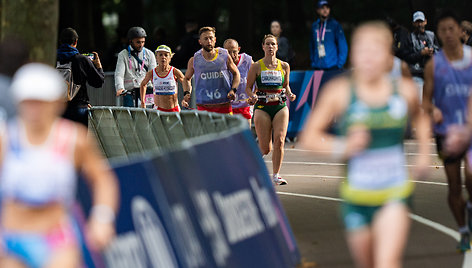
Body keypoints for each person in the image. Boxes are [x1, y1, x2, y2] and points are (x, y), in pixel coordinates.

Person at [299, 21, 430, 267]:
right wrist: (343, 147)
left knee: (386, 262)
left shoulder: (403, 90)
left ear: (388, 56)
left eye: (375, 50)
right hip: (357, 197)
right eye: (362, 50)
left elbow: (421, 119)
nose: (368, 57)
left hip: (394, 193)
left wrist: (423, 155)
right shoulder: (340, 92)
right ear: (353, 55)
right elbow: (309, 137)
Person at [0, 63, 119, 267]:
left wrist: (102, 218)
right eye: (28, 102)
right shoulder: (6, 139)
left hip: (56, 240)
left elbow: (102, 179)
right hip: (11, 237)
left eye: (41, 102)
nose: (34, 109)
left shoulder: (74, 139)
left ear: (57, 102)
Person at [423, 10, 472, 252]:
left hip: (470, 130)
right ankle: (463, 230)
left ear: (461, 31)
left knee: (471, 177)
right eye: (443, 30)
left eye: (452, 28)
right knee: (454, 186)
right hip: (447, 133)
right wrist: (433, 111)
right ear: (439, 35)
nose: (448, 34)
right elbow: (426, 102)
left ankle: (470, 208)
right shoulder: (434, 66)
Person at [246, 34, 297, 185]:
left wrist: (290, 93)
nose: (270, 47)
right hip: (262, 107)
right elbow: (248, 88)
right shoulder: (256, 66)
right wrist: (252, 96)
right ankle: (251, 167)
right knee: (265, 148)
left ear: (277, 47)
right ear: (263, 47)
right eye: (267, 44)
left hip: (280, 106)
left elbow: (286, 86)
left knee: (280, 140)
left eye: (273, 44)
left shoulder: (284, 66)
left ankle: (276, 175)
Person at [182, 27, 240, 114]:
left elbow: (236, 73)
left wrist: (233, 90)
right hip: (204, 107)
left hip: (224, 106)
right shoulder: (194, 59)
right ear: (200, 41)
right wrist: (187, 93)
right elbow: (186, 78)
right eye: (205, 39)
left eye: (211, 38)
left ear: (215, 39)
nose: (209, 41)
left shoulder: (224, 55)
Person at [57, 28, 105, 126]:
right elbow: (98, 82)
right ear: (76, 41)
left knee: (63, 140)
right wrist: (98, 66)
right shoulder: (81, 60)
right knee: (78, 140)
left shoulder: (53, 58)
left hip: (58, 108)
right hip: (79, 108)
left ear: (60, 41)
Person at [115, 26, 157, 108]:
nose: (141, 45)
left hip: (146, 90)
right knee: (130, 117)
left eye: (143, 42)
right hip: (130, 91)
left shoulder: (149, 54)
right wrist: (120, 88)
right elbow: (119, 74)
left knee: (148, 116)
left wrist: (156, 88)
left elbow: (153, 74)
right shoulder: (123, 55)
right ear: (131, 41)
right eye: (138, 42)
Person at [404, 11, 439, 100]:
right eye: (417, 22)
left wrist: (432, 52)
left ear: (425, 21)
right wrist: (421, 53)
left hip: (431, 74)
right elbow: (407, 57)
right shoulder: (409, 38)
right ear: (413, 23)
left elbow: (439, 53)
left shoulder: (431, 35)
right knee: (419, 102)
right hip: (417, 75)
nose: (420, 24)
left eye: (421, 21)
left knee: (434, 101)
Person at [139, 45, 186, 112]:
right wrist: (143, 102)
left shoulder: (175, 71)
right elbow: (143, 84)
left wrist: (186, 95)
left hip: (174, 109)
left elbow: (186, 82)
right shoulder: (151, 73)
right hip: (158, 110)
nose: (163, 57)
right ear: (156, 58)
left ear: (170, 58)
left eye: (166, 55)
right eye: (160, 55)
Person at [309, 0, 348, 71]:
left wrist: (339, 65)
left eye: (327, 8)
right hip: (317, 66)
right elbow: (312, 45)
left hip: (332, 66)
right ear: (317, 10)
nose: (325, 10)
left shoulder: (335, 25)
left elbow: (343, 46)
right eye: (322, 8)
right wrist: (313, 62)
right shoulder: (314, 26)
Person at [223, 39, 254, 126]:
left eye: (234, 52)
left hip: (245, 105)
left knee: (246, 136)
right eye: (228, 52)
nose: (232, 55)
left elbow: (256, 79)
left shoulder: (247, 61)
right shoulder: (221, 64)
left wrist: (253, 94)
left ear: (239, 49)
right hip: (228, 106)